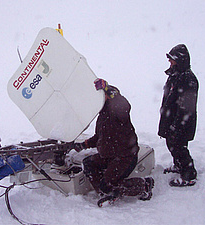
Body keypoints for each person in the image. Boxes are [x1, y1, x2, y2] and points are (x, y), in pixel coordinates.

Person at [74, 78, 154, 202]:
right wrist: (84, 145)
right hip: (109, 155)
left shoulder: (117, 106)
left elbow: (124, 106)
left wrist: (110, 92)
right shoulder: (103, 114)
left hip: (125, 157)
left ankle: (143, 185)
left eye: (100, 95)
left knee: (107, 185)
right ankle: (105, 191)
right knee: (88, 163)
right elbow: (99, 137)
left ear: (106, 95)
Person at [158, 44, 198, 187]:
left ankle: (189, 174)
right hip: (172, 119)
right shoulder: (175, 75)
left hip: (181, 122)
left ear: (180, 60)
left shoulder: (188, 79)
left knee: (179, 146)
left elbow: (186, 108)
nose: (170, 62)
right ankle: (178, 165)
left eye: (172, 60)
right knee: (172, 144)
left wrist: (177, 125)